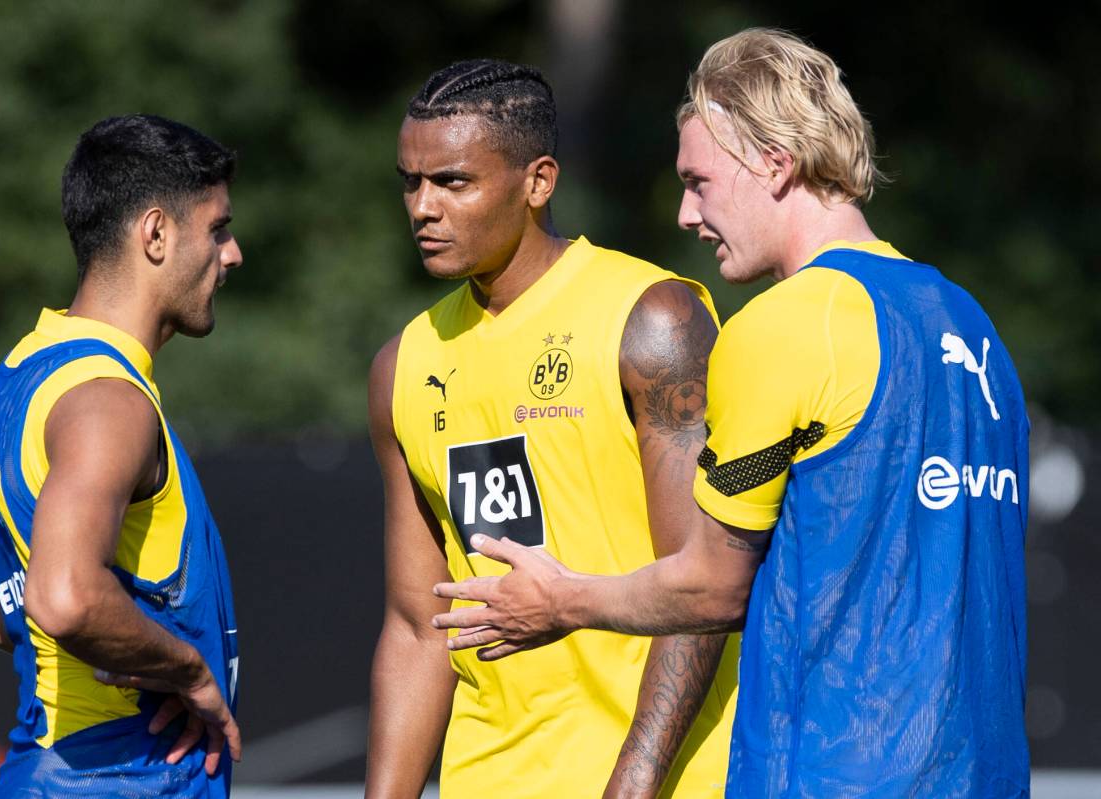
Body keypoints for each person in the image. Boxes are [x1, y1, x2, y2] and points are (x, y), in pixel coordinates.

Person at [432, 29, 1030, 798]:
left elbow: (714, 587)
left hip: (831, 779)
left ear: (774, 164)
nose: (687, 213)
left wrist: (561, 598)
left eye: (699, 181)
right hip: (987, 773)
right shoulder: (970, 323)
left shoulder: (787, 325)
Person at [365, 59, 739, 799]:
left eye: (453, 181)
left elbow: (703, 587)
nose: (423, 207)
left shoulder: (653, 320)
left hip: (661, 780)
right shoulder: (402, 365)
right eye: (411, 182)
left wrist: (633, 782)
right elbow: (417, 626)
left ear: (537, 182)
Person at [0, 114, 244, 797]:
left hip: (49, 774)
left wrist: (97, 649)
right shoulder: (109, 403)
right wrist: (186, 671)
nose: (233, 253)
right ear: (155, 234)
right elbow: (63, 597)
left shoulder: (24, 372)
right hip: (119, 780)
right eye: (217, 229)